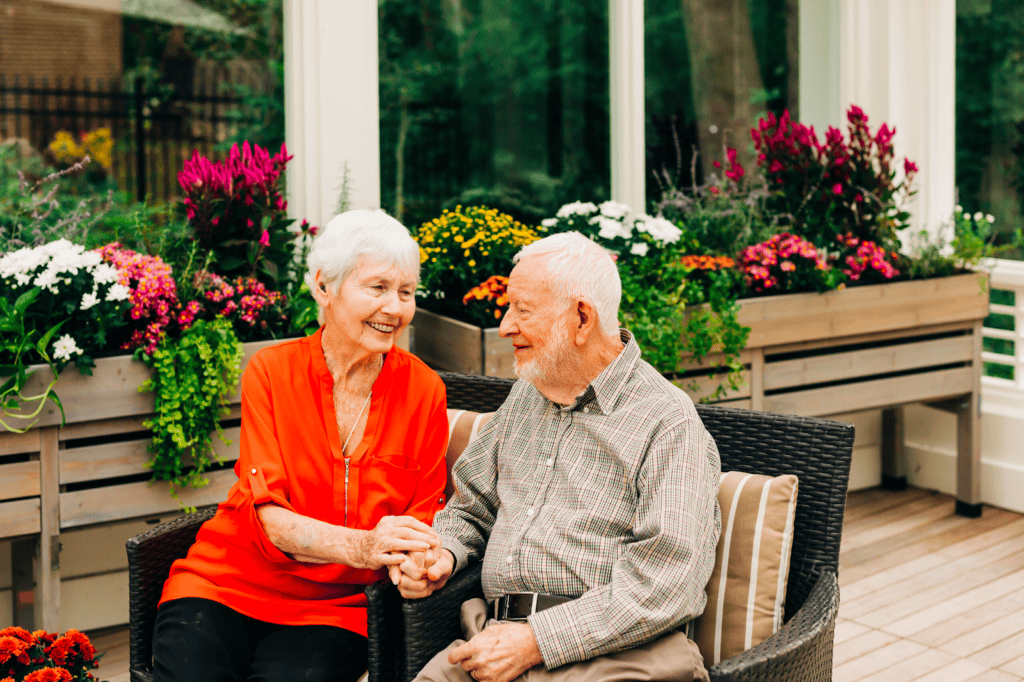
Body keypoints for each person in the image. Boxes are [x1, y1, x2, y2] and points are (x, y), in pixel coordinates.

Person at [394, 231, 722, 682]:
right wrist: (444, 555)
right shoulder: (526, 397)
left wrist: (535, 641)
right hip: (491, 641)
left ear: (582, 318)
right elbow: (472, 506)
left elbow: (665, 584)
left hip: (612, 657)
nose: (506, 325)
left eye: (522, 310)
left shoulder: (668, 423)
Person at [152, 210, 449, 682]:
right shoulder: (271, 373)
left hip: (339, 608)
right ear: (323, 287)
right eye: (377, 288)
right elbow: (270, 520)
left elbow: (424, 520)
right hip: (225, 583)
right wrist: (368, 546)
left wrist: (420, 563)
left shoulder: (424, 391)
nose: (395, 307)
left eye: (406, 292)